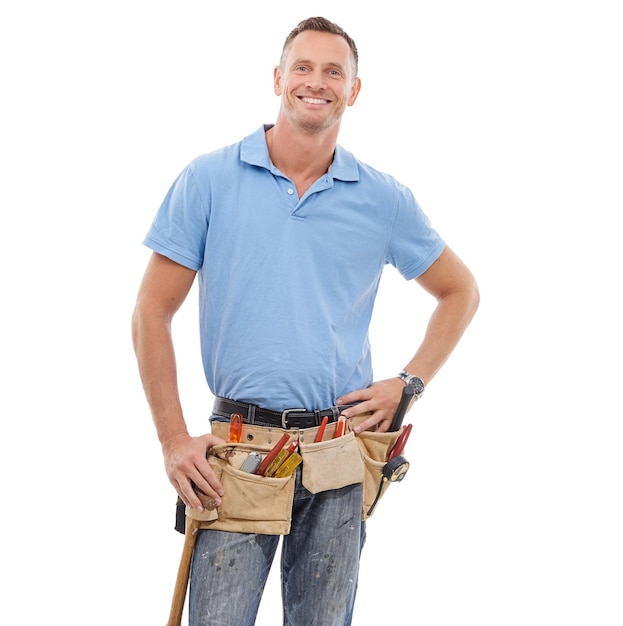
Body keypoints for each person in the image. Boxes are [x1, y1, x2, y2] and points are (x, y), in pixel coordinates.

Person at [132, 16, 479, 626]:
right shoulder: (208, 180)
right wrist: (171, 440)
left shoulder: (383, 198)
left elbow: (460, 291)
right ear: (277, 78)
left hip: (340, 454)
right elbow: (150, 313)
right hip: (238, 453)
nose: (316, 82)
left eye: (333, 71)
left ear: (354, 90)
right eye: (303, 67)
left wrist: (410, 382)